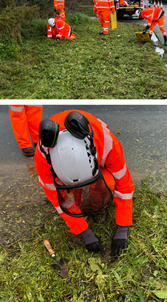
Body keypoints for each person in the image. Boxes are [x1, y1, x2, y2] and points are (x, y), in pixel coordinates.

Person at [35, 110, 135, 256]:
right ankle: (78, 200)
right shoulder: (44, 157)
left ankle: (97, 207)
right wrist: (84, 231)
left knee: (109, 181)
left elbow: (124, 183)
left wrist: (123, 227)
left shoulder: (106, 142)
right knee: (65, 193)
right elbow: (56, 198)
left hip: (98, 163)